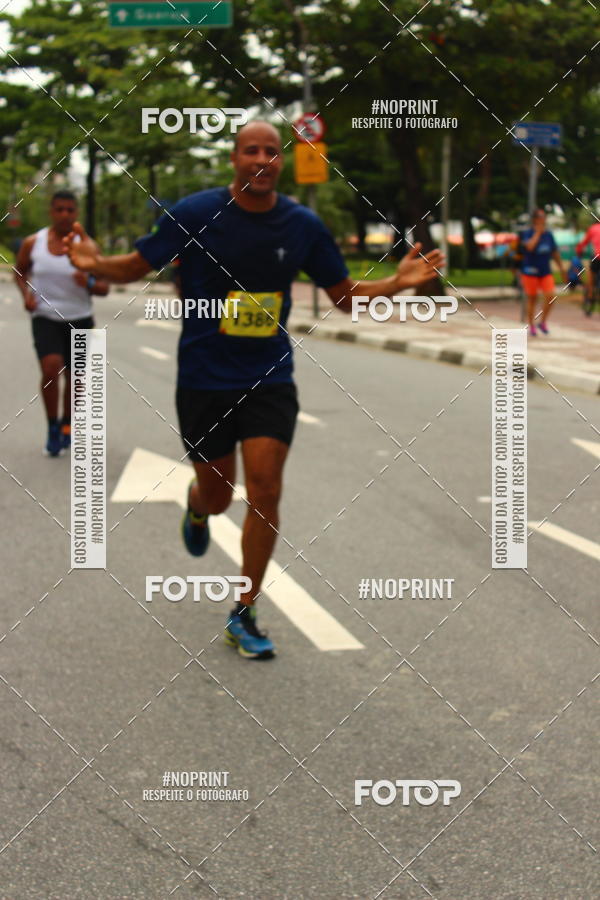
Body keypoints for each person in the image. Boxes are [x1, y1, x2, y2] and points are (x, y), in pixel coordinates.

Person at [63, 120, 444, 660]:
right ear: (235, 158)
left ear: (280, 162)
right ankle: (198, 508)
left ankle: (244, 611)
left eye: (272, 151)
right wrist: (92, 264)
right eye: (251, 150)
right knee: (220, 495)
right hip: (203, 379)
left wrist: (398, 284)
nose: (262, 159)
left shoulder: (302, 225)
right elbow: (135, 265)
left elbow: (344, 296)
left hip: (268, 377)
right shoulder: (195, 214)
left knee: (264, 491)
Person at [14, 190, 109, 456]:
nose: (65, 214)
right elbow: (20, 271)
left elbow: (104, 288)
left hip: (80, 318)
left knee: (75, 377)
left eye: (70, 210)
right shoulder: (34, 243)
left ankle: (68, 424)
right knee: (51, 367)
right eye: (60, 209)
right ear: (51, 212)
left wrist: (88, 282)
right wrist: (26, 295)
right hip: (45, 317)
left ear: (76, 213)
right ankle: (52, 426)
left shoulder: (89, 247)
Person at [520, 209, 566, 337]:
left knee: (551, 295)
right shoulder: (528, 233)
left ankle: (543, 321)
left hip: (545, 271)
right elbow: (529, 247)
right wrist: (537, 234)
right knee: (532, 298)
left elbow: (555, 252)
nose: (543, 220)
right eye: (540, 217)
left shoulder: (549, 235)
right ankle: (531, 325)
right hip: (530, 271)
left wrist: (561, 268)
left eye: (544, 217)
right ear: (535, 219)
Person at [575, 222, 600, 308]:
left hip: (597, 257)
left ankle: (590, 295)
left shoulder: (593, 228)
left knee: (591, 273)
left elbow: (583, 243)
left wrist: (578, 251)